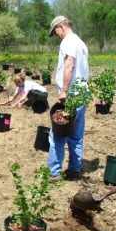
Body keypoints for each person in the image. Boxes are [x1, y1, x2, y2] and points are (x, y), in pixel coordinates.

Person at [46, 15, 90, 182]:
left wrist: (64, 91)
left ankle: (54, 173)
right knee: (76, 134)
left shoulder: (68, 42)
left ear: (62, 26)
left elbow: (70, 64)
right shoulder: (81, 43)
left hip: (70, 96)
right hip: (81, 94)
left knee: (58, 134)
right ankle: (74, 170)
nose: (56, 36)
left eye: (56, 31)